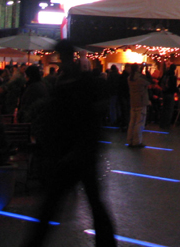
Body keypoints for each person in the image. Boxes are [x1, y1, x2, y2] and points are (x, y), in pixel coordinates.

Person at [22, 40, 116, 247]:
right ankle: (106, 243)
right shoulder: (81, 82)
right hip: (81, 152)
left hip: (71, 152)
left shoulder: (66, 84)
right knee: (92, 202)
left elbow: (61, 117)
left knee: (51, 205)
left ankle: (34, 243)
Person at [127, 63, 150, 148]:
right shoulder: (140, 79)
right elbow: (148, 82)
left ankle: (130, 140)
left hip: (133, 101)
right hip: (141, 101)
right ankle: (137, 141)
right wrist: (145, 71)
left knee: (132, 122)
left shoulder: (129, 78)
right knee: (139, 123)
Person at [159, 64, 178, 128]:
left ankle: (162, 123)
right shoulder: (173, 76)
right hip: (170, 93)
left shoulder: (165, 74)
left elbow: (160, 82)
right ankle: (167, 123)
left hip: (164, 93)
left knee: (164, 108)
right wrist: (177, 90)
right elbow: (173, 86)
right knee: (169, 109)